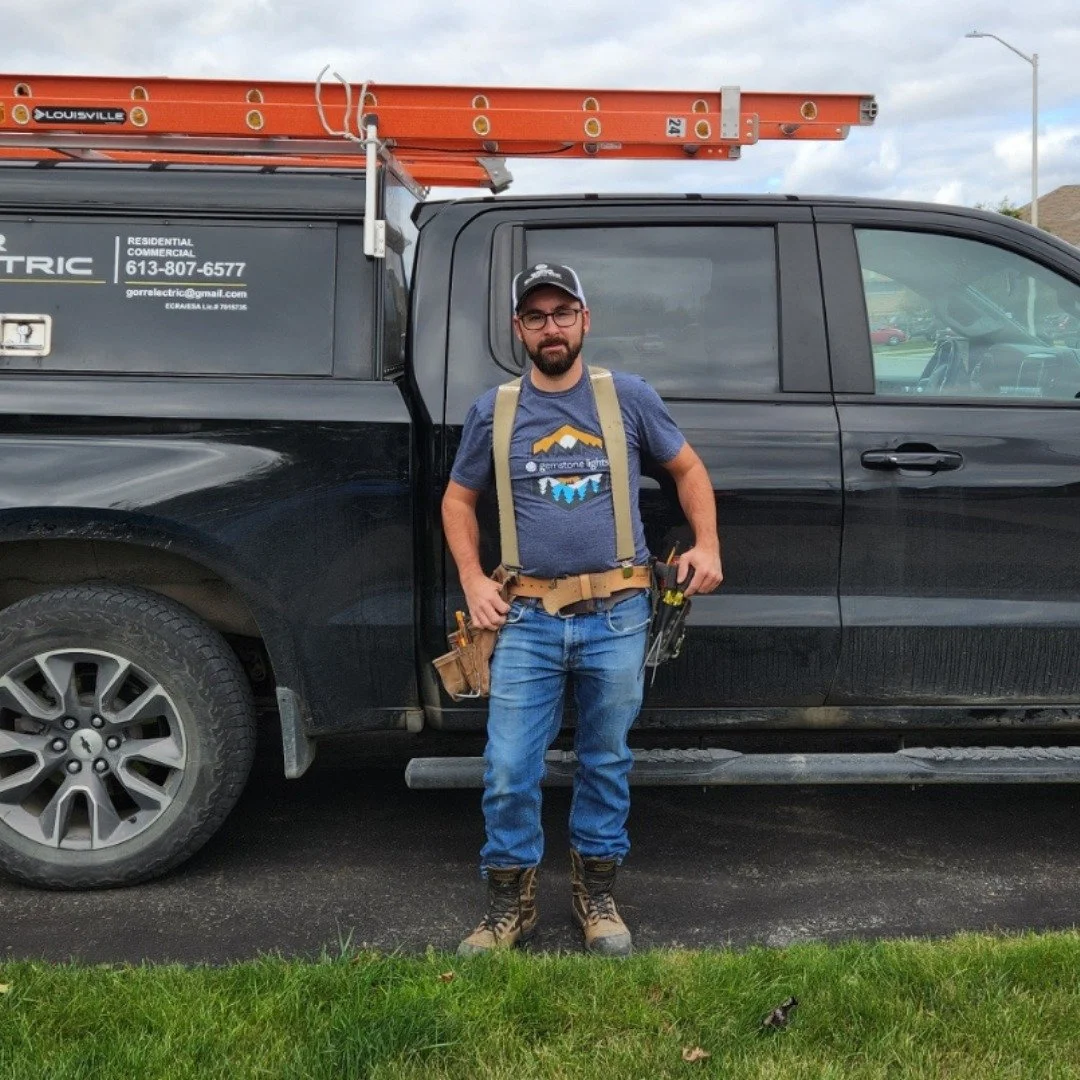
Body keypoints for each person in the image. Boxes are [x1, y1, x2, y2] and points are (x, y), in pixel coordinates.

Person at [442, 263, 723, 957]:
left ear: (585, 320)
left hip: (619, 614)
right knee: (509, 766)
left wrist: (709, 544)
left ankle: (596, 897)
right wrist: (474, 579)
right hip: (527, 618)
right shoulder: (495, 410)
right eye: (535, 317)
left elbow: (687, 469)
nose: (551, 328)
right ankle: (509, 907)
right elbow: (457, 499)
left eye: (562, 313)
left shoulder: (625, 398)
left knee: (605, 760)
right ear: (519, 329)